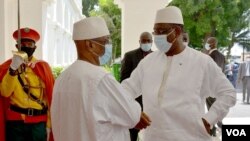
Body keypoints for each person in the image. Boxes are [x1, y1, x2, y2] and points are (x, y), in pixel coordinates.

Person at [121, 6, 236, 141]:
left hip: (189, 137)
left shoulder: (201, 62)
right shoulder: (148, 62)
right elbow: (126, 90)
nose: (157, 36)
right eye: (155, 32)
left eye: (161, 31)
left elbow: (228, 93)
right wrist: (133, 112)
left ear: (176, 31)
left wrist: (209, 119)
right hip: (153, 136)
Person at [51, 17, 151, 141]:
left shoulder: (63, 77)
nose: (107, 46)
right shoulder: (100, 78)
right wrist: (136, 113)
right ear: (90, 45)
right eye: (105, 41)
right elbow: (132, 115)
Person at [0, 27, 54, 141]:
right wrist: (13, 69)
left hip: (38, 122)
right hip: (16, 122)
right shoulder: (7, 67)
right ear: (17, 47)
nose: (26, 47)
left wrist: (49, 124)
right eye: (23, 44)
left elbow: (49, 98)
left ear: (35, 47)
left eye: (30, 44)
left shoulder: (43, 67)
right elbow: (5, 93)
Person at [120, 32, 153, 141]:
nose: (146, 43)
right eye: (144, 41)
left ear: (152, 42)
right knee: (132, 134)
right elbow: (124, 79)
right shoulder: (130, 56)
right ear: (139, 42)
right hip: (135, 103)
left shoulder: (157, 57)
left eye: (149, 41)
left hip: (151, 104)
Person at [204, 37, 226, 136]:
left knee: (211, 109)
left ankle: (214, 131)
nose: (206, 44)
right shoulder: (222, 56)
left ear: (212, 43)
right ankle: (217, 128)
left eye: (207, 42)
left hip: (210, 87)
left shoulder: (211, 56)